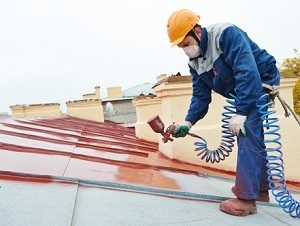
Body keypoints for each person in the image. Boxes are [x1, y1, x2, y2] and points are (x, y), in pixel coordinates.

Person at [166, 9, 280, 216]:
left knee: (246, 132)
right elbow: (201, 96)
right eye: (181, 47)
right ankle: (261, 191)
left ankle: (246, 200)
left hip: (261, 80)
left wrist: (242, 112)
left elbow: (247, 71)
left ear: (198, 32)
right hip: (243, 87)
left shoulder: (226, 34)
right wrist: (188, 123)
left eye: (186, 44)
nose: (185, 50)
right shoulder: (195, 62)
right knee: (253, 134)